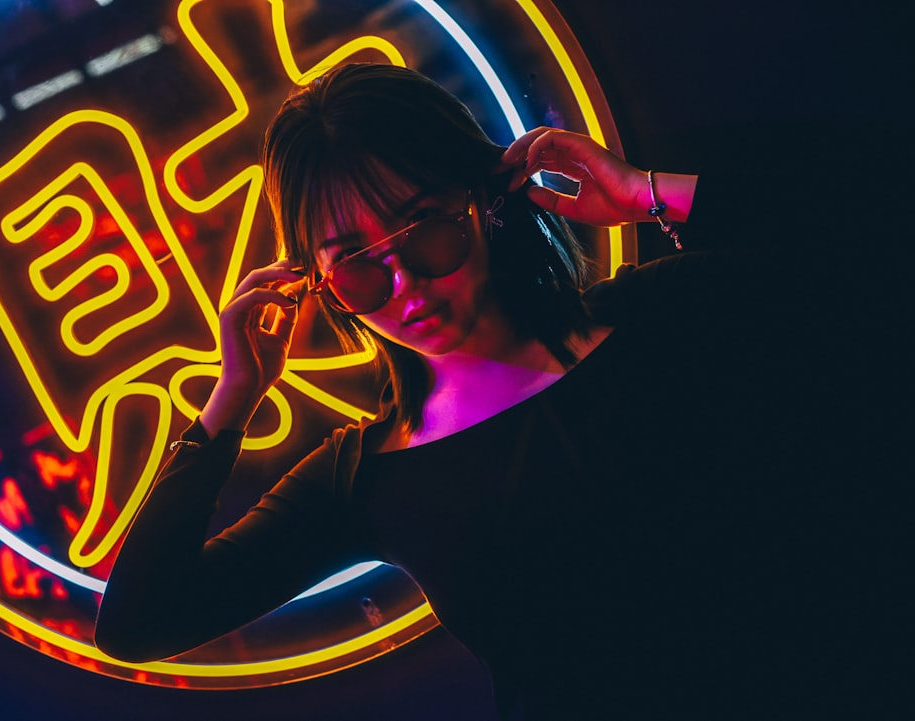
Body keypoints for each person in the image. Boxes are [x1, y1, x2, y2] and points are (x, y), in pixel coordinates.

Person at [95, 64, 906, 719]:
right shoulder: (365, 475)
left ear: (484, 201)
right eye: (360, 265)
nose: (407, 284)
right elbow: (138, 622)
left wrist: (645, 193)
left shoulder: (660, 314)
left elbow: (872, 242)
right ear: (321, 284)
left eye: (427, 230)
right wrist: (231, 398)